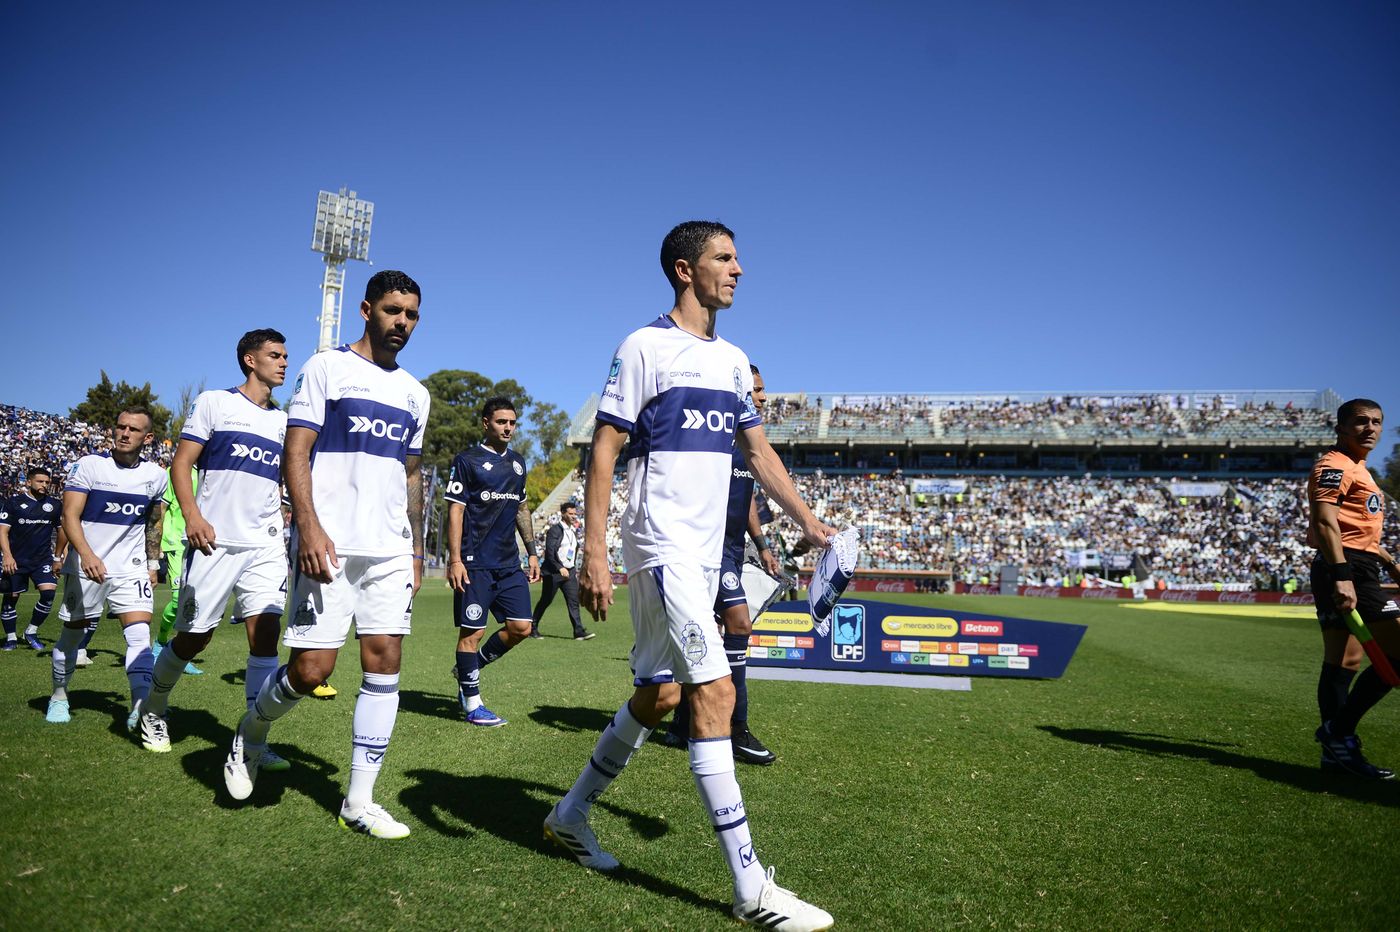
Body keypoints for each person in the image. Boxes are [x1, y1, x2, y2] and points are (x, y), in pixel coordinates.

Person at [543, 221, 836, 930]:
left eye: (736, 258)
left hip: (706, 554)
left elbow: (758, 453)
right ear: (685, 269)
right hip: (662, 544)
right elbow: (603, 449)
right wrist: (594, 553)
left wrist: (809, 522)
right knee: (715, 691)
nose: (739, 269)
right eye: (724, 258)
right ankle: (751, 888)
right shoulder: (644, 346)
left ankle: (568, 815)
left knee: (662, 695)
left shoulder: (735, 361)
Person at [222, 270, 430, 840]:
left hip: (389, 550)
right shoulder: (326, 368)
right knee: (312, 670)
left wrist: (413, 545)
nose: (402, 323)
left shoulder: (417, 393)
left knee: (385, 665)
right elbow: (297, 450)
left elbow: (411, 475)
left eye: (411, 314)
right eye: (392, 311)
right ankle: (250, 733)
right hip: (330, 545)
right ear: (366, 309)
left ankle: (359, 801)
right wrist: (308, 527)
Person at [138, 329, 291, 762]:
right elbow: (181, 462)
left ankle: (254, 739)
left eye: (285, 356)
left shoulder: (283, 422)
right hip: (214, 541)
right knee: (194, 638)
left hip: (264, 544)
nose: (283, 362)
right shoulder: (214, 403)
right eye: (274, 355)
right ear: (249, 360)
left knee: (265, 638)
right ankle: (153, 706)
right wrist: (192, 516)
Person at [665, 364, 782, 765]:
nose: (764, 397)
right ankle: (735, 727)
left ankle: (685, 722)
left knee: (716, 632)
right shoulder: (707, 436)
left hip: (731, 550)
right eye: (758, 390)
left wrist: (761, 544)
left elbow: (746, 498)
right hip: (702, 550)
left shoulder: (748, 443)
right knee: (738, 624)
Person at [46, 408, 168, 729]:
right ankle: (59, 695)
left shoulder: (156, 475)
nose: (124, 433)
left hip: (131, 568)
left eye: (133, 429)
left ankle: (139, 705)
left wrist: (152, 563)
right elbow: (69, 515)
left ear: (148, 438)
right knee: (72, 638)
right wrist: (85, 555)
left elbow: (154, 522)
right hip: (88, 566)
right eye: (120, 427)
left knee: (140, 635)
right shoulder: (89, 466)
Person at [1309, 398, 1400, 780]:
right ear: (1341, 428)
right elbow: (1326, 522)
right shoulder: (1333, 466)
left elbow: (1355, 529)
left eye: (1376, 422)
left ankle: (1337, 753)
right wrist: (1343, 575)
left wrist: (1391, 563)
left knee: (1344, 661)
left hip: (1356, 564)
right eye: (1360, 422)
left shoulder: (1359, 468)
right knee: (1396, 654)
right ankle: (1339, 732)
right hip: (1345, 568)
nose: (1370, 428)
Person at [444, 397, 541, 728]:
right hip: (475, 563)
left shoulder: (518, 463)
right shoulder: (467, 460)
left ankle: (469, 668)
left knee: (521, 628)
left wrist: (531, 550)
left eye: (512, 423)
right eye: (502, 422)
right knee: (472, 632)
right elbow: (455, 509)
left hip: (509, 564)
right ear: (486, 423)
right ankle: (472, 704)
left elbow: (522, 508)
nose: (508, 428)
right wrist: (455, 559)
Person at [1, 467, 66, 650]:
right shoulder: (13, 503)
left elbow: (62, 531)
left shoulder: (54, 505)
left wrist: (58, 557)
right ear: (28, 482)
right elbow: (2, 531)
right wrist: (7, 556)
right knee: (11, 597)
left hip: (42, 559)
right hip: (16, 559)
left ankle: (31, 631)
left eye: (47, 482)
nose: (44, 485)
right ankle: (11, 638)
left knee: (48, 594)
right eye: (40, 481)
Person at [150, 466, 204, 675]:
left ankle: (180, 656)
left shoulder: (210, 469)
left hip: (199, 542)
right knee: (177, 601)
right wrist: (158, 544)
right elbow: (161, 508)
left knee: (194, 602)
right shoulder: (179, 470)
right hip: (176, 543)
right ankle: (160, 643)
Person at [531, 501, 591, 640]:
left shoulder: (572, 531)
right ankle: (532, 628)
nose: (573, 516)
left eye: (575, 514)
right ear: (563, 513)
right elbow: (550, 552)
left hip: (569, 572)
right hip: (553, 572)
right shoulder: (555, 530)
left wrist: (572, 567)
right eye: (570, 514)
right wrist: (560, 567)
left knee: (573, 601)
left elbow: (571, 551)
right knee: (546, 600)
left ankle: (578, 631)